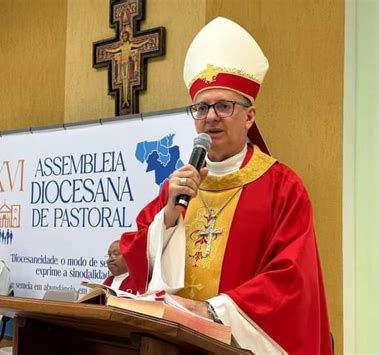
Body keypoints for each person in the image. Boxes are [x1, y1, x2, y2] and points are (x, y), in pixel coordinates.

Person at [120, 17, 332, 354]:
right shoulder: (178, 186)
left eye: (224, 105)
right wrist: (169, 219)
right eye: (202, 107)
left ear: (249, 117)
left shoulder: (283, 188)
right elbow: (132, 254)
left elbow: (292, 279)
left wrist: (213, 311)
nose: (211, 116)